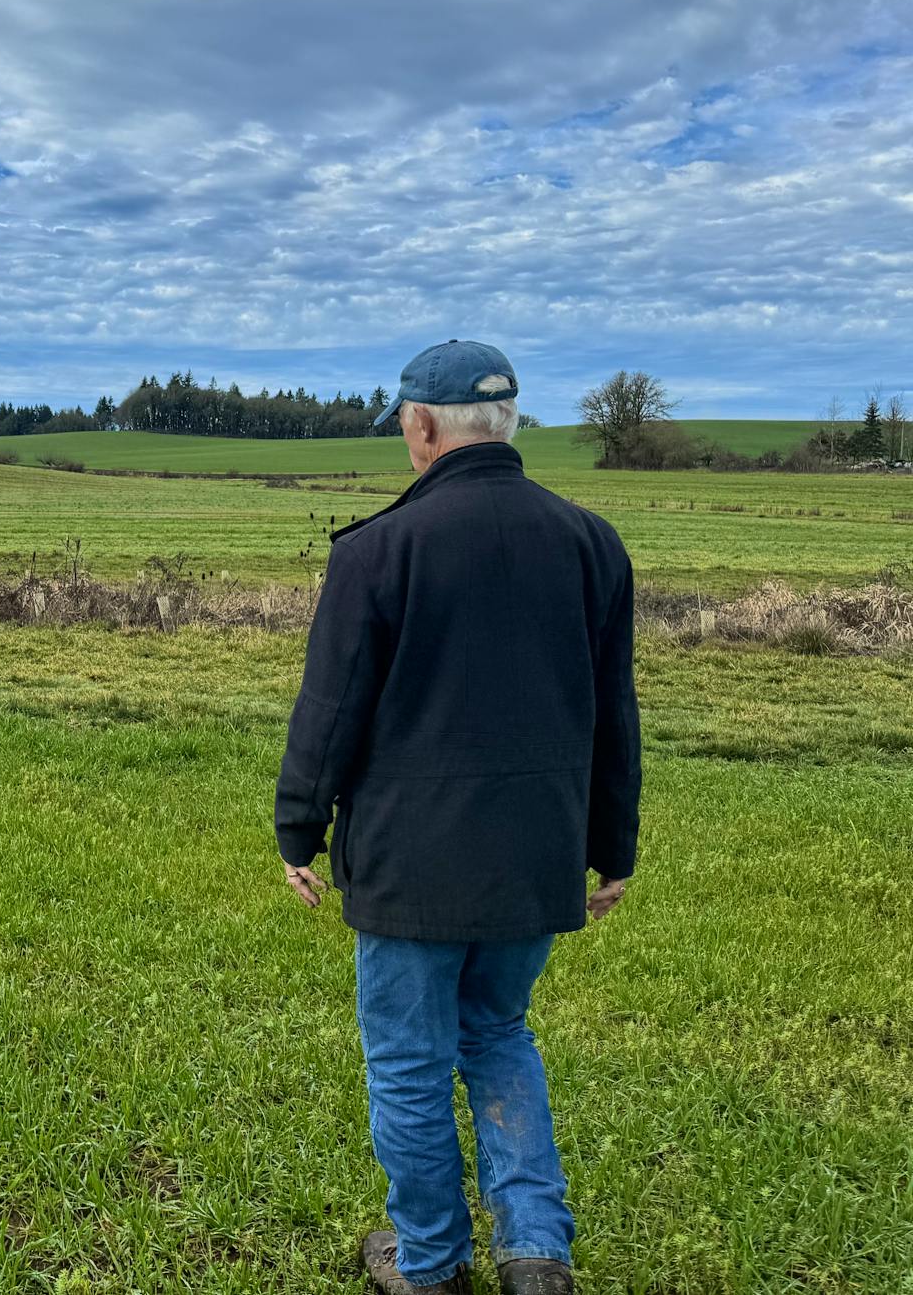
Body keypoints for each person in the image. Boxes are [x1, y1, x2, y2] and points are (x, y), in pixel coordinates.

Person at [274, 339, 640, 1295]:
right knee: (499, 1036)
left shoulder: (378, 549)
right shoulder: (592, 543)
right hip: (536, 857)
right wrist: (610, 850)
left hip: (409, 867)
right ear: (506, 423)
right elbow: (614, 713)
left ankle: (429, 1265)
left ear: (423, 426)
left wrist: (297, 828)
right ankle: (536, 1258)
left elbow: (330, 709)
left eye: (403, 420)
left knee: (407, 1062)